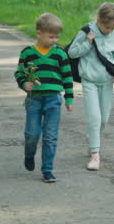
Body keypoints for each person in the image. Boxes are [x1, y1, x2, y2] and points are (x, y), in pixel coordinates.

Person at [66, 2, 114, 171]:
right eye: (106, 27)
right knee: (94, 117)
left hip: (107, 82)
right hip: (89, 81)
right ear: (99, 20)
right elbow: (72, 52)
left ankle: (93, 140)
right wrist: (87, 43)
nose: (108, 31)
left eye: (112, 28)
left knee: (104, 119)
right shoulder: (86, 31)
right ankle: (95, 155)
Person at [14, 12, 74, 183]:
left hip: (54, 99)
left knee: (50, 136)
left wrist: (69, 99)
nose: (55, 40)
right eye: (51, 37)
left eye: (57, 37)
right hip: (34, 99)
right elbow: (19, 73)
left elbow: (68, 77)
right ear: (39, 33)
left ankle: (47, 169)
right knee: (32, 134)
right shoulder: (27, 53)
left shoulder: (60, 54)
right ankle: (29, 154)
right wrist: (24, 83)